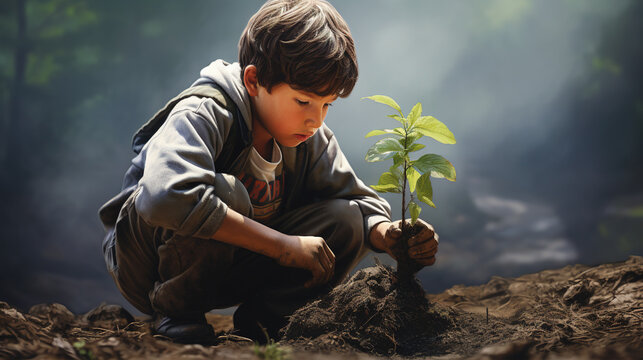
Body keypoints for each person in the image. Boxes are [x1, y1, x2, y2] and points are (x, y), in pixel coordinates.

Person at [98, 0, 439, 345]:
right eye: (304, 101)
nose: (316, 119)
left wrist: (388, 234)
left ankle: (267, 321)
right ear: (253, 80)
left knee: (347, 217)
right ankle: (178, 315)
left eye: (327, 105)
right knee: (225, 191)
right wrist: (282, 246)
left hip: (230, 268)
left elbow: (355, 201)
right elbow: (164, 198)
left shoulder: (308, 136)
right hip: (147, 267)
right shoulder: (205, 111)